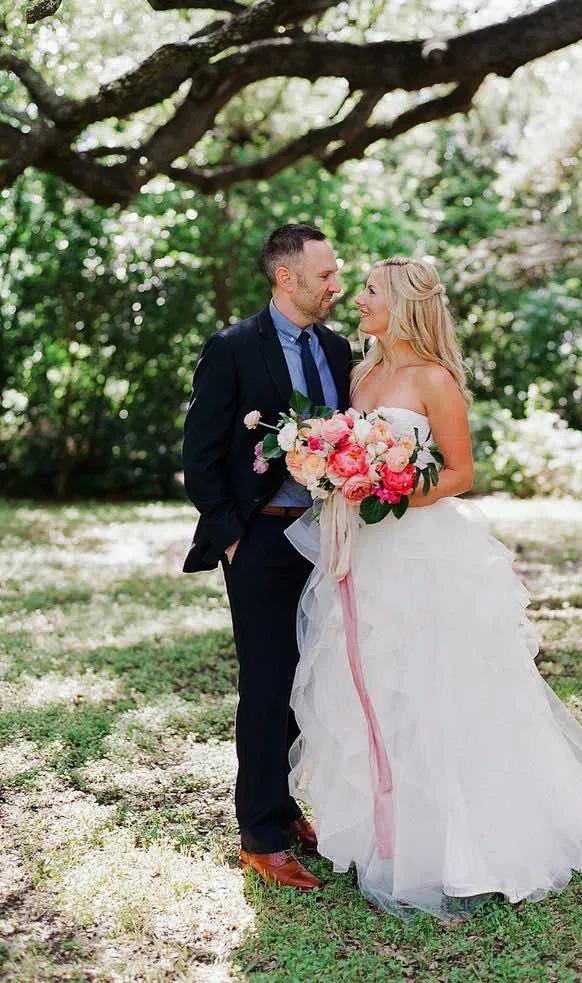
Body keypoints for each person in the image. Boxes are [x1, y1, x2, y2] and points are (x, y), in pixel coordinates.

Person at [285, 256, 582, 918]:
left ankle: (465, 842)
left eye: (370, 290)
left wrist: (395, 488)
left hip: (421, 546)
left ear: (401, 304)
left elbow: (459, 471)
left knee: (438, 683)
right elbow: (347, 446)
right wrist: (338, 473)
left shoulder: (435, 380)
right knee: (373, 679)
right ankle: (388, 835)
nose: (358, 299)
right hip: (365, 551)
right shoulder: (361, 372)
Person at [182, 224, 353, 890]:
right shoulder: (232, 348)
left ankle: (283, 806)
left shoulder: (339, 350)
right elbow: (199, 453)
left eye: (337, 274)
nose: (334, 285)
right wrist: (230, 535)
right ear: (286, 277)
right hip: (261, 539)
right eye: (324, 275)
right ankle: (259, 835)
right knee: (267, 679)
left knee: (308, 677)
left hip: (329, 541)